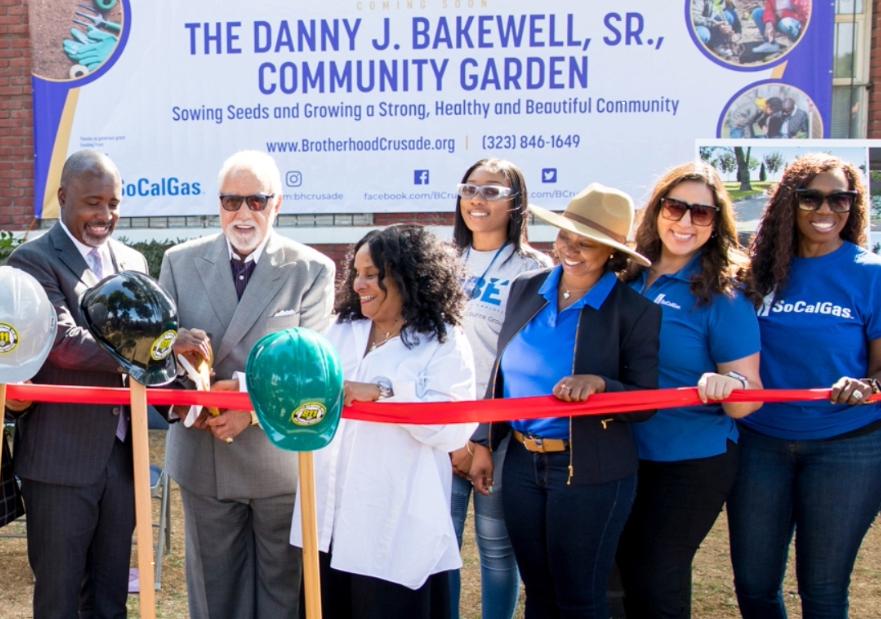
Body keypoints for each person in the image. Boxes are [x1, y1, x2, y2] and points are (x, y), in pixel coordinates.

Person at [469, 184, 661, 618]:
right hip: (520, 463)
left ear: (611, 252)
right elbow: (502, 375)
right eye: (565, 238)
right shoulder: (525, 288)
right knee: (537, 592)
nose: (570, 250)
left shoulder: (634, 312)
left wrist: (602, 385)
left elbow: (647, 401)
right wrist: (483, 440)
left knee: (579, 597)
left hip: (589, 469)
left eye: (586, 243)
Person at [160, 150, 335, 619]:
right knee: (215, 596)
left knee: (282, 592)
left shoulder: (312, 270)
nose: (242, 213)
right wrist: (191, 399)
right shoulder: (179, 263)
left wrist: (250, 408)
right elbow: (163, 357)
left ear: (277, 204)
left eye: (255, 201)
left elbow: (314, 369)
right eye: (230, 201)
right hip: (204, 458)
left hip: (278, 460)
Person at [291, 224, 477, 619]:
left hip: (397, 529)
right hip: (329, 524)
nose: (359, 284)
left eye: (372, 274)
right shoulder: (341, 329)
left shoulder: (443, 340)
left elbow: (452, 429)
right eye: (356, 273)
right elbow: (302, 382)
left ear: (409, 276)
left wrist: (383, 391)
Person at [728, 153, 881, 617]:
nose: (825, 209)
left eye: (840, 198)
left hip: (847, 447)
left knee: (823, 591)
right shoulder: (755, 273)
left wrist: (866, 386)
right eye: (810, 197)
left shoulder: (870, 273)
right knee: (754, 586)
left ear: (854, 205)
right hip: (760, 443)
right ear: (787, 204)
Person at [6, 149, 150, 618]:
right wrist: (151, 347)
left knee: (110, 598)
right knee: (60, 598)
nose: (105, 215)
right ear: (63, 197)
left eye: (113, 203)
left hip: (125, 458)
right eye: (93, 202)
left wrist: (160, 346)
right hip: (60, 460)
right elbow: (61, 342)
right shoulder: (33, 260)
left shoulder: (132, 262)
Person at [616, 162, 762, 618]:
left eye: (702, 213)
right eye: (676, 207)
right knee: (615, 575)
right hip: (618, 454)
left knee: (658, 578)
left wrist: (730, 385)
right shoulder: (623, 276)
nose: (685, 222)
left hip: (690, 462)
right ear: (656, 209)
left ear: (716, 224)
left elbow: (749, 396)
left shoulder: (722, 295)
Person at [448, 158, 551, 619]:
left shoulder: (536, 270)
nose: (478, 200)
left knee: (495, 549)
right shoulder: (442, 262)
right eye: (471, 189)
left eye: (492, 191)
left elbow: (523, 365)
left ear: (516, 204)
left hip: (502, 435)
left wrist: (482, 437)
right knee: (440, 547)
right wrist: (454, 436)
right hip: (441, 430)